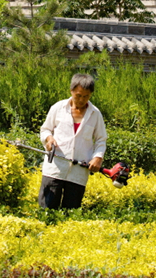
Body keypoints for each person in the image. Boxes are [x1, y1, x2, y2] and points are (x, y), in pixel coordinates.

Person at [38, 73, 107, 210]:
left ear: (91, 95)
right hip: (54, 168)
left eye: (86, 96)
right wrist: (49, 139)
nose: (81, 100)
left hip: (78, 172)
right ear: (71, 91)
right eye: (78, 95)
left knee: (71, 213)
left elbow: (101, 139)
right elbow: (45, 129)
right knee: (46, 211)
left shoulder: (95, 114)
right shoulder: (58, 108)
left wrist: (98, 158)